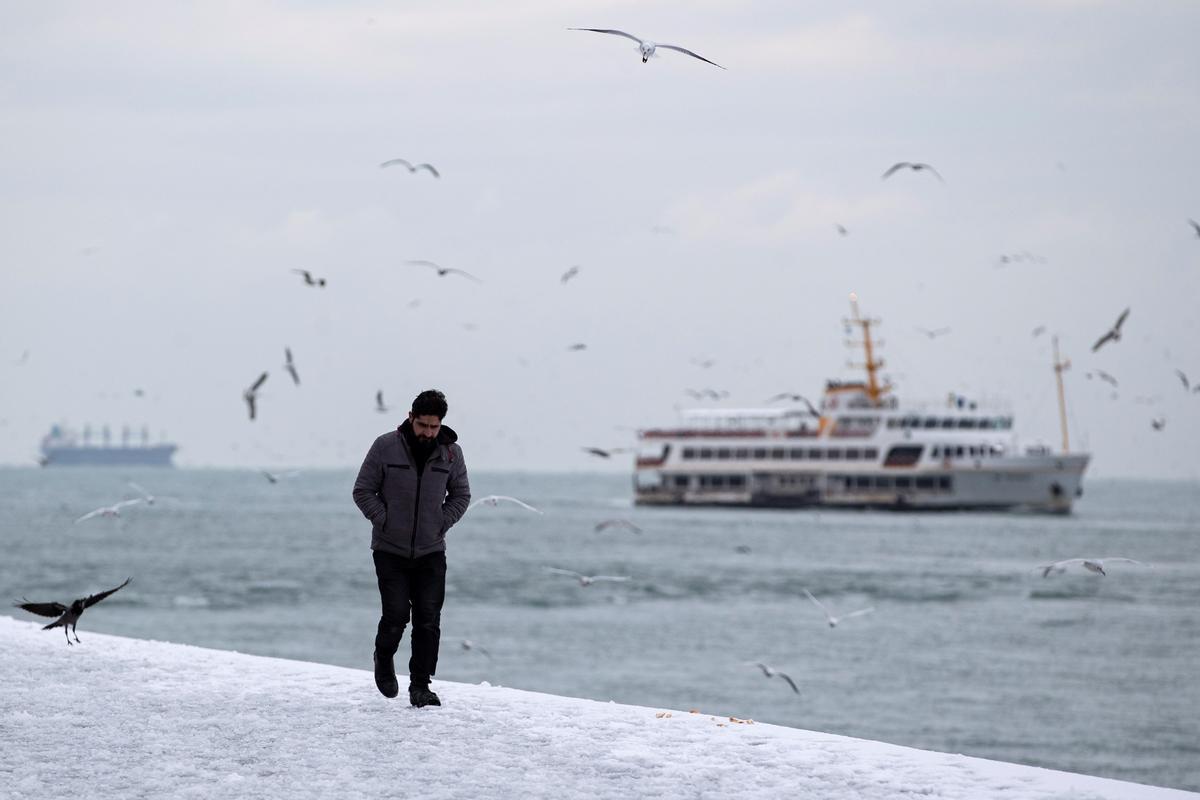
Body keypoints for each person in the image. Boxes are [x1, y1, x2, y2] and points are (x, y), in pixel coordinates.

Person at [352, 389, 471, 707]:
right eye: (422, 426)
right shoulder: (385, 446)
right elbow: (363, 490)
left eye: (433, 427)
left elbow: (461, 495)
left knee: (428, 619)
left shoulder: (451, 454)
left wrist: (441, 523)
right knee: (395, 615)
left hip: (431, 550)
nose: (428, 433)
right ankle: (383, 657)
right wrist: (384, 520)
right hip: (390, 548)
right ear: (410, 418)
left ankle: (420, 686)